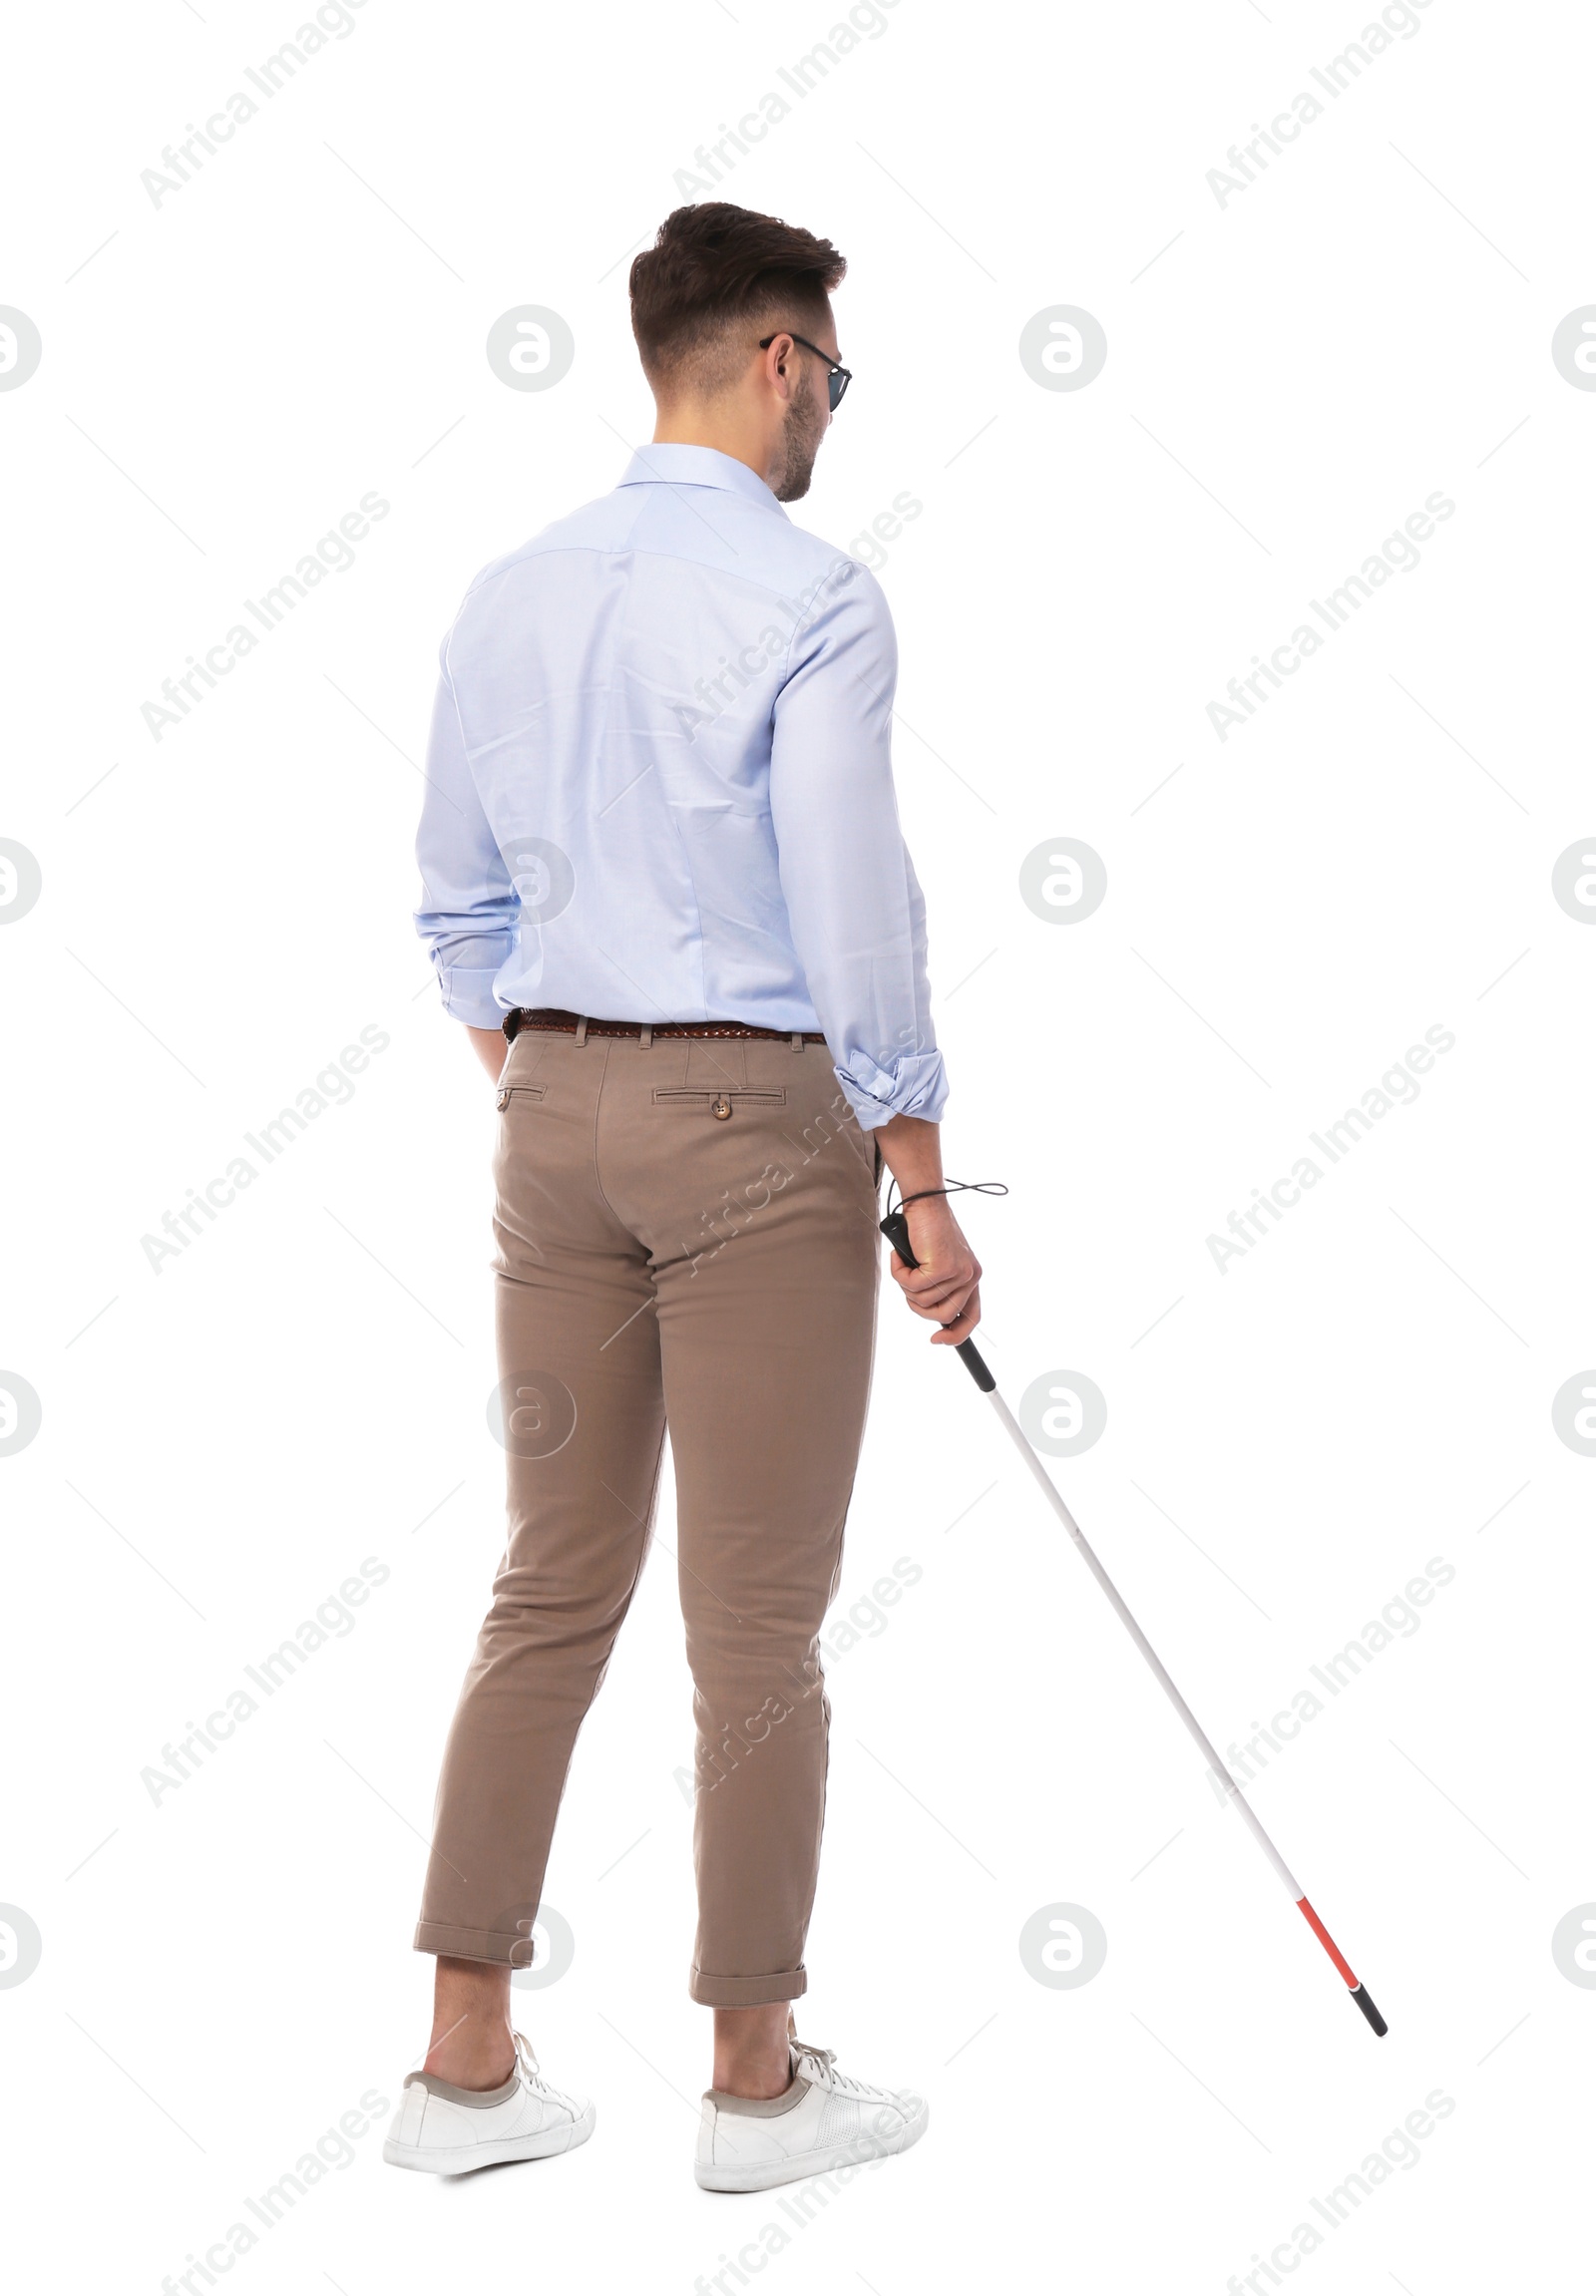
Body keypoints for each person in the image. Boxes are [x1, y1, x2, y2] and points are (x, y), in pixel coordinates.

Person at [384, 200, 981, 2193]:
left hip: (546, 1110)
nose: (829, 411)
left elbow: (454, 899)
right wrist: (911, 1162)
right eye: (832, 374)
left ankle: (461, 2061)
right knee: (755, 1618)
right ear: (778, 361)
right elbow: (848, 888)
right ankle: (752, 2075)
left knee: (547, 1579)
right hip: (754, 1126)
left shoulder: (510, 588)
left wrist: (554, 1082)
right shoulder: (813, 595)